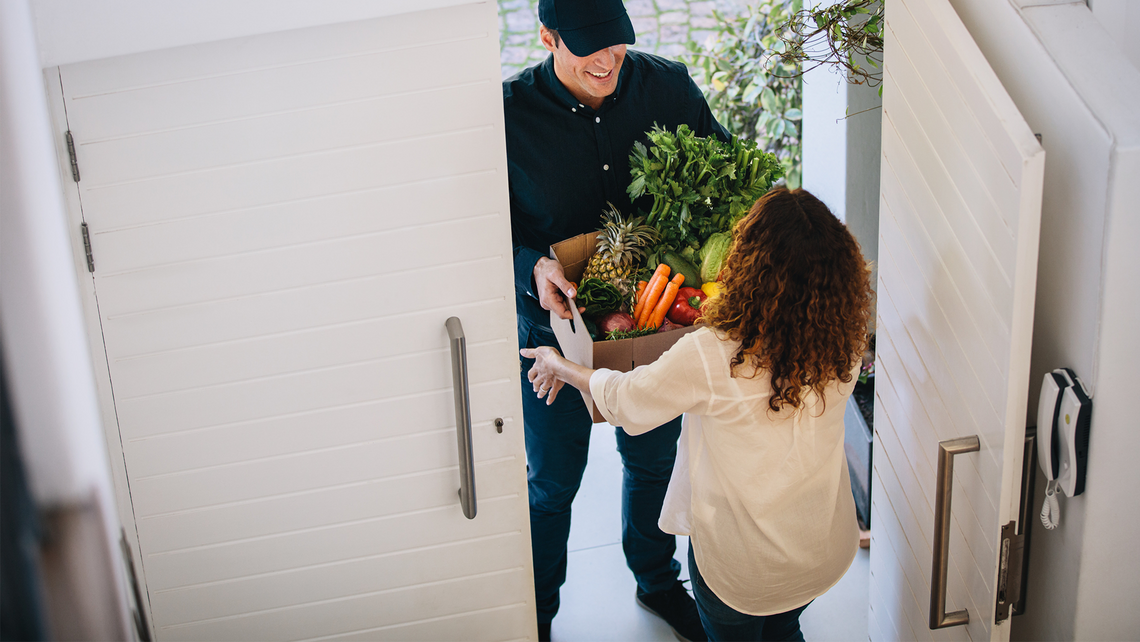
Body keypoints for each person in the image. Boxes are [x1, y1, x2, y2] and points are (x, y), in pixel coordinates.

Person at [522, 187, 874, 642]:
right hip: (819, 548)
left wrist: (560, 364)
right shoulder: (843, 337)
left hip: (743, 571)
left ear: (747, 266)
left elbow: (629, 401)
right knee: (785, 629)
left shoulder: (714, 353)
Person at [503, 0, 729, 639]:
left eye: (618, 45)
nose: (607, 61)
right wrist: (533, 268)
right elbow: (482, 228)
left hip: (656, 325)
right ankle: (536, 615)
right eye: (587, 47)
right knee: (551, 486)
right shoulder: (509, 114)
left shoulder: (666, 86)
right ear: (548, 36)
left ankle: (657, 581)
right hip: (553, 336)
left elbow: (724, 180)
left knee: (654, 464)